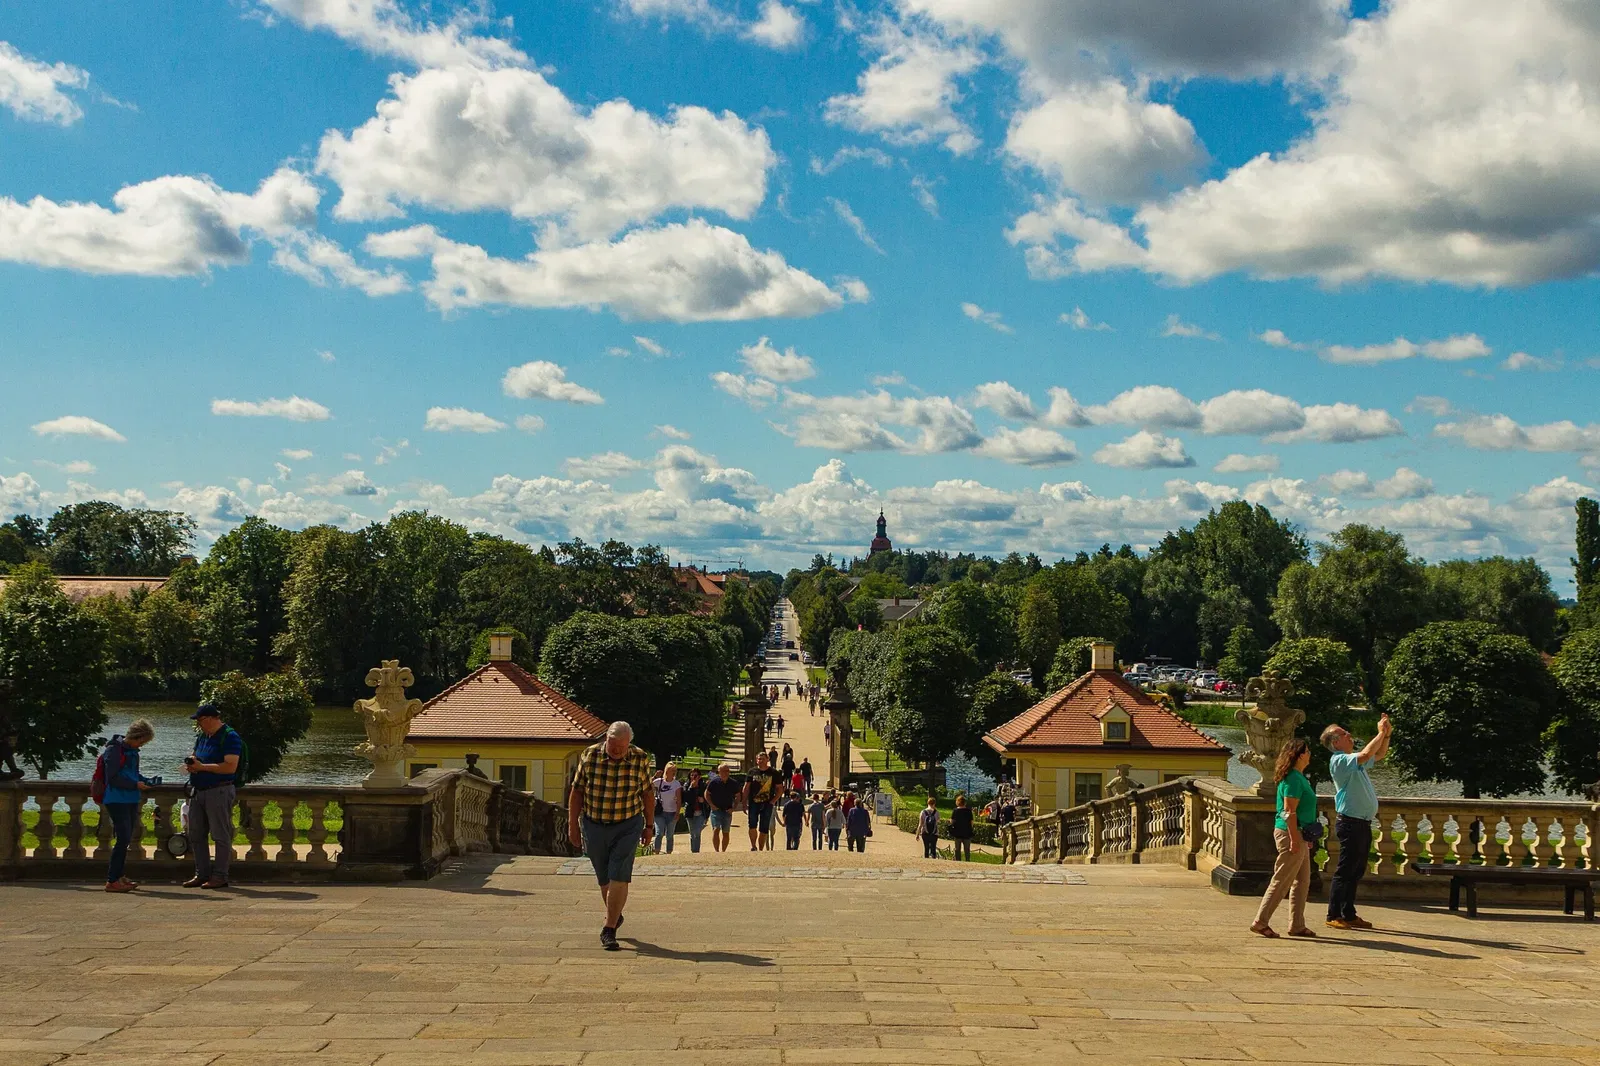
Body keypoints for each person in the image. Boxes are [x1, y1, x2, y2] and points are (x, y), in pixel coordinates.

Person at [567, 721, 655, 951]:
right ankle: (615, 914)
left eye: (622, 747)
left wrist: (649, 825)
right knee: (604, 877)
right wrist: (572, 826)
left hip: (628, 823)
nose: (617, 752)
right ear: (606, 739)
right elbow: (576, 792)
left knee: (620, 873)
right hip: (594, 823)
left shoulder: (640, 758)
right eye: (613, 746)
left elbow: (647, 793)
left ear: (629, 744)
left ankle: (609, 928)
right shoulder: (590, 756)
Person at [1322, 714, 1391, 930]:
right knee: (1345, 870)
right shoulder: (1340, 760)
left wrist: (1386, 735)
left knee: (1356, 871)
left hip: (1361, 823)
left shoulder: (1352, 761)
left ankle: (1348, 913)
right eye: (1344, 733)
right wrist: (1380, 732)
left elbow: (1379, 754)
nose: (1349, 735)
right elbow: (1368, 752)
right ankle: (1333, 914)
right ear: (1335, 742)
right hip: (1350, 823)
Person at [1251, 738, 1319, 939]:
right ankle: (1260, 921)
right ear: (1298, 755)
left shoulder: (1299, 777)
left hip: (1300, 833)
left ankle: (1297, 924)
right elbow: (1289, 812)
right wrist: (1294, 839)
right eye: (1307, 751)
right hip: (1291, 833)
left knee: (1302, 880)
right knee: (1282, 880)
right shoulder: (1292, 779)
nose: (1310, 754)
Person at [182, 702, 243, 890]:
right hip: (198, 790)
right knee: (196, 834)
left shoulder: (230, 737)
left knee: (220, 834)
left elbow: (230, 766)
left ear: (209, 719)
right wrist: (192, 764)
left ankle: (220, 876)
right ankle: (201, 874)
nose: (198, 724)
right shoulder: (202, 736)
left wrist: (202, 767)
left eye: (200, 720)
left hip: (219, 790)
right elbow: (196, 755)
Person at [100, 719, 156, 893]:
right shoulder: (114, 750)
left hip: (131, 798)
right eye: (142, 741)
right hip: (116, 799)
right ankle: (112, 879)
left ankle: (118, 875)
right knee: (123, 838)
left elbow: (132, 773)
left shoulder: (133, 752)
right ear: (136, 736)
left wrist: (144, 780)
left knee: (126, 839)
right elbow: (113, 777)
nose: (142, 745)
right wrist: (135, 785)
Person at [743, 751, 783, 851]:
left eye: (763, 759)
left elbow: (780, 788)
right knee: (752, 825)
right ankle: (753, 846)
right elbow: (746, 787)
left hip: (767, 803)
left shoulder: (774, 773)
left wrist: (774, 800)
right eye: (759, 759)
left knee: (764, 827)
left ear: (767, 760)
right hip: (753, 802)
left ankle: (761, 848)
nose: (760, 761)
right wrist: (744, 802)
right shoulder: (752, 772)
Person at [705, 763, 740, 853]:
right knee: (716, 829)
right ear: (719, 772)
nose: (725, 773)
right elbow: (707, 794)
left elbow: (738, 796)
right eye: (723, 771)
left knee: (726, 832)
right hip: (716, 810)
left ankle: (723, 851)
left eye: (727, 771)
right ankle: (717, 851)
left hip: (727, 810)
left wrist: (734, 807)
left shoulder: (733, 783)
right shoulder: (714, 782)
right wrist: (711, 805)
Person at [651, 762, 683, 854]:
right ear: (667, 771)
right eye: (671, 770)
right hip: (660, 812)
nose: (673, 773)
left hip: (672, 812)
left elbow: (679, 800)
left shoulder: (676, 784)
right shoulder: (659, 781)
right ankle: (656, 851)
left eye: (674, 771)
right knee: (659, 833)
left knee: (669, 835)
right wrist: (654, 776)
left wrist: (677, 813)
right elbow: (648, 786)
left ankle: (669, 852)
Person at [682, 767, 710, 854]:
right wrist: (691, 788)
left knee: (697, 833)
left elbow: (708, 798)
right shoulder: (686, 785)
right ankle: (693, 851)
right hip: (690, 813)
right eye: (692, 775)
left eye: (696, 775)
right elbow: (686, 799)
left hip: (701, 813)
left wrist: (703, 800)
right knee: (692, 833)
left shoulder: (703, 786)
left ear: (699, 776)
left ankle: (696, 851)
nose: (693, 777)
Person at [949, 792, 973, 862]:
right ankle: (967, 861)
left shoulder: (955, 811)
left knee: (957, 849)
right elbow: (971, 822)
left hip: (957, 832)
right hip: (967, 832)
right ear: (965, 803)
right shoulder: (969, 811)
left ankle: (958, 861)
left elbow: (952, 821)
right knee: (967, 849)